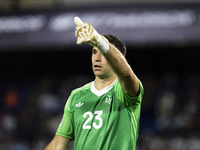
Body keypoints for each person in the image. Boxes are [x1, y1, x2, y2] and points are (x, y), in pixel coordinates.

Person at [45, 16, 144, 150]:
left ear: (118, 59)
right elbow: (57, 145)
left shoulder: (125, 91)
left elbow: (126, 75)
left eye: (103, 53)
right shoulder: (76, 96)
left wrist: (99, 41)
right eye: (94, 52)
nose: (97, 58)